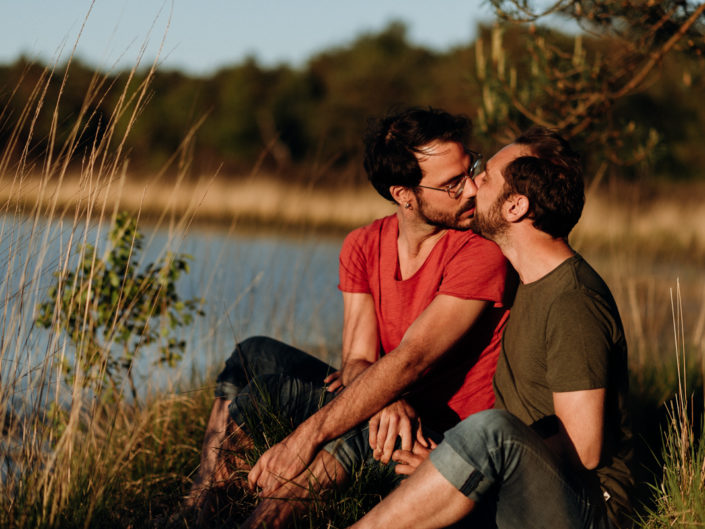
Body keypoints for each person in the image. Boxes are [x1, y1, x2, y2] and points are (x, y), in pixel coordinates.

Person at [187, 107, 514, 528]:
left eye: (470, 168)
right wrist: (386, 399)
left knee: (333, 418)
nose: (471, 189)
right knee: (253, 355)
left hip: (438, 431)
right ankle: (200, 510)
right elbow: (357, 360)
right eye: (452, 184)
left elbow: (414, 359)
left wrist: (306, 439)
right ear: (404, 194)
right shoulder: (363, 243)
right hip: (393, 401)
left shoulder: (481, 251)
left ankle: (261, 520)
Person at [347, 127, 634, 529]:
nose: (471, 185)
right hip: (521, 481)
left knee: (490, 431)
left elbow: (584, 449)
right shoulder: (527, 284)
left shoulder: (573, 301)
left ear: (515, 206)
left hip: (587, 506)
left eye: (485, 176)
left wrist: (459, 462)